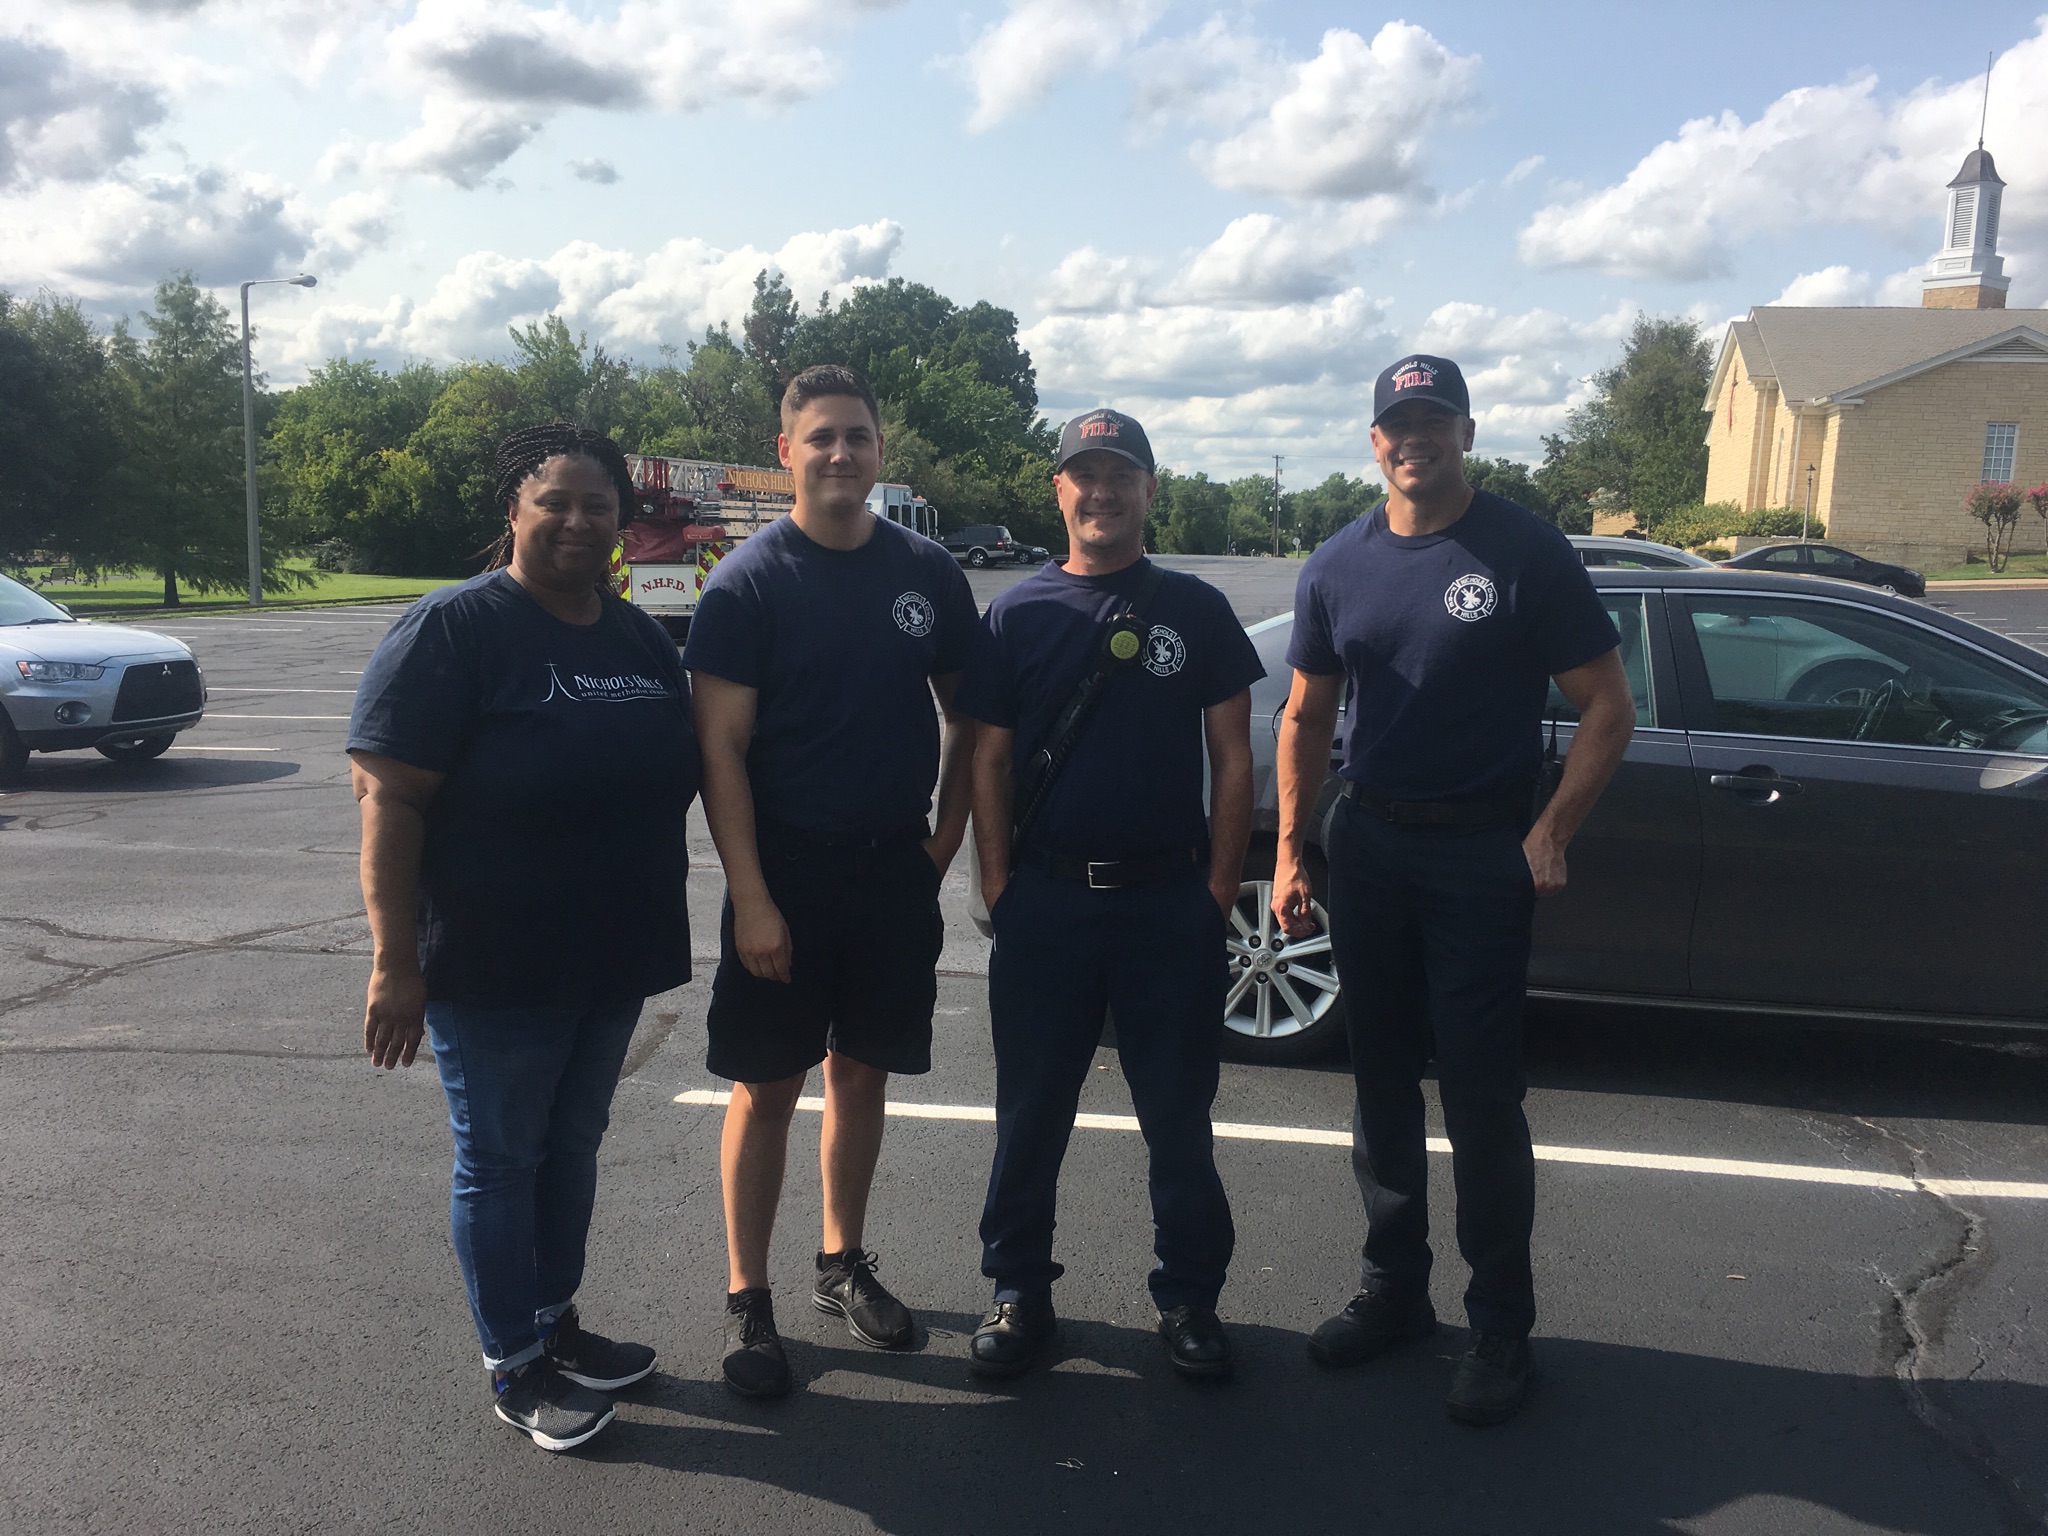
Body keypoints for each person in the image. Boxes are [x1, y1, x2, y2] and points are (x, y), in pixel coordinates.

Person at [1271, 355, 1635, 1426]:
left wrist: (1550, 831)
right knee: (1379, 1083)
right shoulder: (1337, 563)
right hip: (1370, 844)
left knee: (1479, 1097)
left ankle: (1500, 1326)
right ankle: (1393, 1291)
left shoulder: (1523, 550)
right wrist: (1290, 852)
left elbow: (1607, 705)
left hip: (1480, 853)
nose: (1413, 437)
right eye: (1398, 422)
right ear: (1374, 440)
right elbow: (1304, 716)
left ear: (1466, 433)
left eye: (1434, 419)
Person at [348, 423, 701, 1452]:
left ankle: (554, 1321)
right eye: (555, 502)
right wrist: (393, 962)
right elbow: (388, 798)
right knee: (501, 1159)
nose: (578, 522)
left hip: (611, 952)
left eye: (599, 506)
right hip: (492, 959)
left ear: (622, 523)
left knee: (571, 1145)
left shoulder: (636, 638)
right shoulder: (454, 629)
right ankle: (514, 1361)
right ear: (513, 510)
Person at [683, 363, 978, 1399]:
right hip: (786, 875)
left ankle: (839, 1262)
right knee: (768, 1088)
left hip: (891, 871)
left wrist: (943, 842)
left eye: (857, 436)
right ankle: (747, 1297)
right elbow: (719, 750)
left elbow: (969, 714)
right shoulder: (748, 583)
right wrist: (753, 897)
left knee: (862, 1073)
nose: (841, 453)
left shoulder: (927, 572)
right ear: (786, 453)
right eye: (821, 437)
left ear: (880, 450)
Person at [957, 408, 1262, 1382]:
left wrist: (1217, 890)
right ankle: (1018, 1293)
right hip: (1046, 903)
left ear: (1148, 489)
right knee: (1030, 1111)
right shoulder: (1016, 613)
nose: (1102, 491)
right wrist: (997, 884)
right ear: (1058, 490)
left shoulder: (1195, 609)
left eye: (1120, 474)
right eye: (1083, 474)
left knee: (1176, 1115)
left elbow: (1233, 759)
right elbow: (988, 759)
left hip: (1166, 905)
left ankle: (1189, 1298)